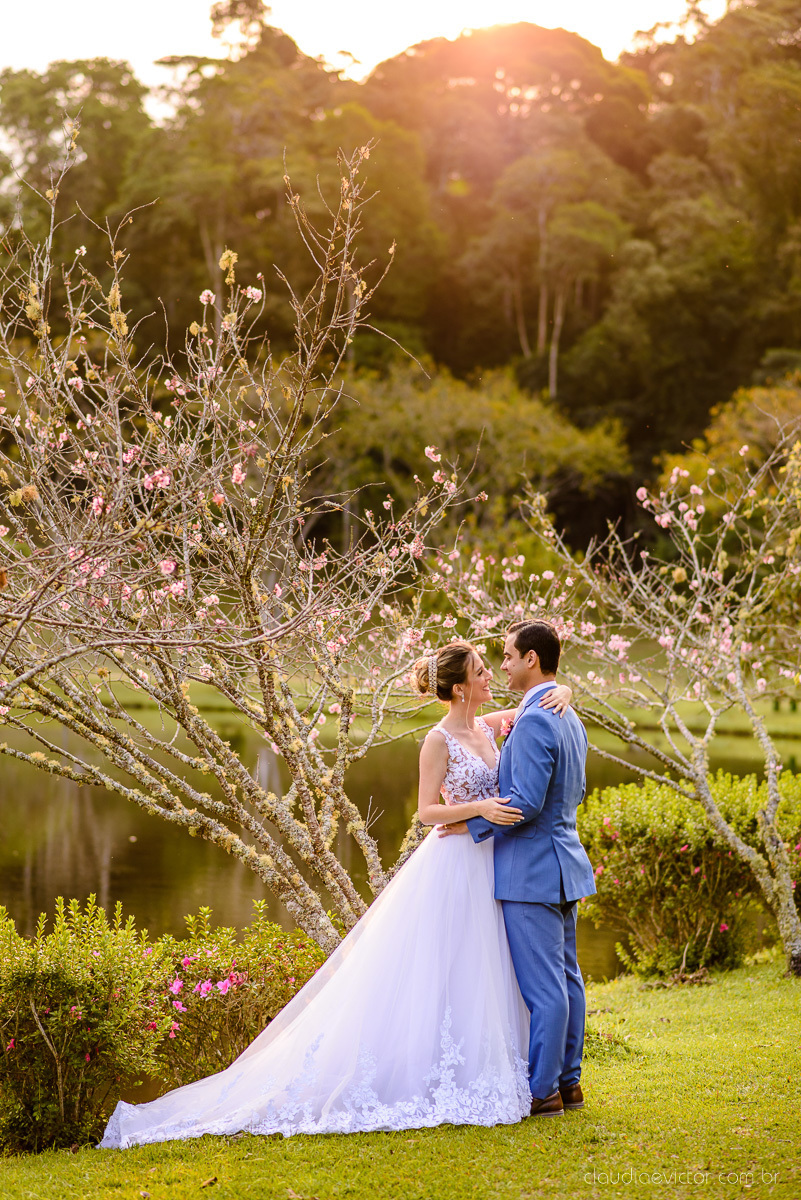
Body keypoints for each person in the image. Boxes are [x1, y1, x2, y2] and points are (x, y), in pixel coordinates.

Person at [99, 640, 573, 1148]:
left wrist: (562, 686)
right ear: (459, 688)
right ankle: (442, 1068)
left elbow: (533, 704)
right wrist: (477, 809)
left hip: (491, 861)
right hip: (456, 862)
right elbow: (426, 813)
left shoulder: (485, 724)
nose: (490, 676)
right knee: (448, 964)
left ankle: (507, 1067)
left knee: (488, 965)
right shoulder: (437, 741)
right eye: (481, 671)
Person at [441, 620, 595, 1118]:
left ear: (531, 659)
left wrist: (473, 826)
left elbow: (525, 803)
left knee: (545, 990)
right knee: (568, 980)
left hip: (531, 871)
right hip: (565, 863)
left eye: (508, 655)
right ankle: (569, 1085)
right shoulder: (567, 715)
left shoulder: (534, 720)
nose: (502, 664)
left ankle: (543, 1090)